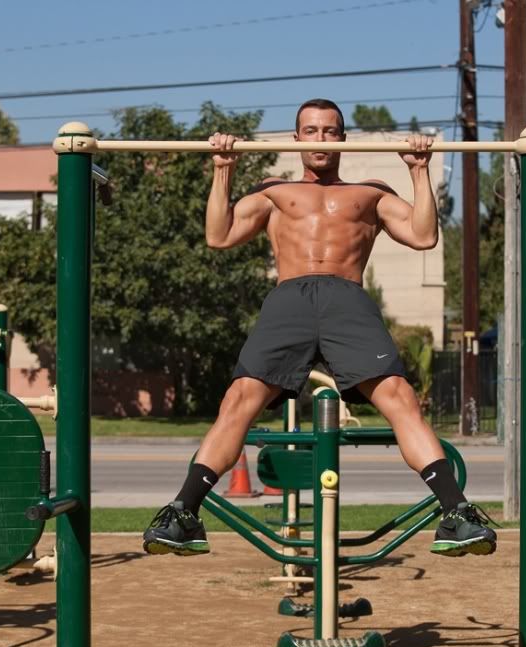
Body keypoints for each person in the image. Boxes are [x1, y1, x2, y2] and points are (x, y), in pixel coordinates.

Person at [143, 98, 496, 559]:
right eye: (311, 131)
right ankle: (183, 513)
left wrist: (419, 171)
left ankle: (457, 513)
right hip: (289, 299)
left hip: (347, 298)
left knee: (399, 398)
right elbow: (219, 235)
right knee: (238, 400)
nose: (321, 139)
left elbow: (424, 234)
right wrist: (222, 169)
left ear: (342, 139)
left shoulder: (369, 193)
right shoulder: (273, 192)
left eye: (330, 131)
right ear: (297, 140)